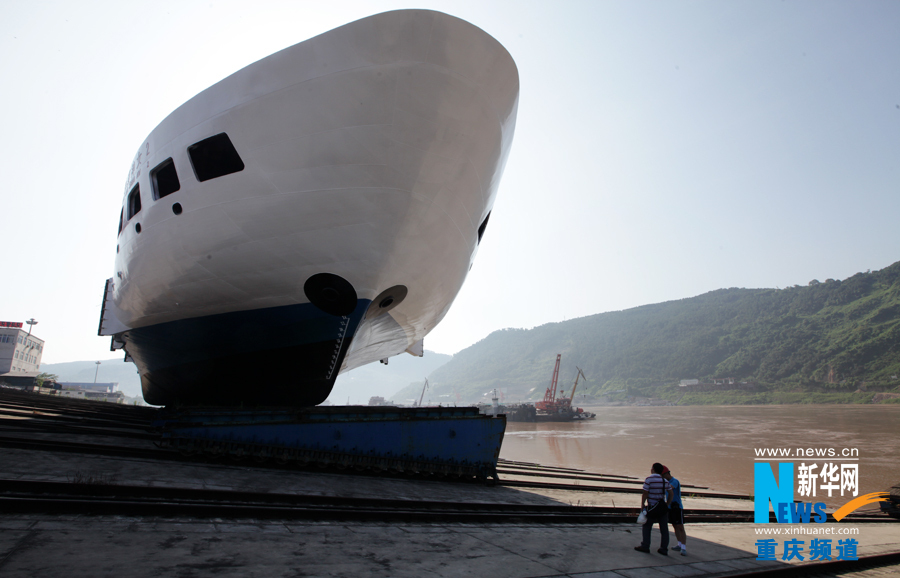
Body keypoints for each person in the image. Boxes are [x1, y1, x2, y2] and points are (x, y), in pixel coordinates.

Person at [635, 462, 673, 555]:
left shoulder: (649, 479)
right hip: (662, 508)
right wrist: (667, 504)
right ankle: (664, 549)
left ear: (653, 469)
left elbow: (645, 493)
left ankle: (645, 546)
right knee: (664, 529)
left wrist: (642, 505)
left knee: (647, 527)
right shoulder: (665, 481)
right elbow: (671, 493)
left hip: (652, 507)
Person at [662, 466, 687, 556]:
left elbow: (669, 488)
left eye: (663, 475)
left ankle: (683, 547)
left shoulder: (674, 481)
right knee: (674, 526)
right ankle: (679, 544)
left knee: (680, 526)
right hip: (670, 507)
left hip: (677, 507)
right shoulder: (666, 482)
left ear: (667, 474)